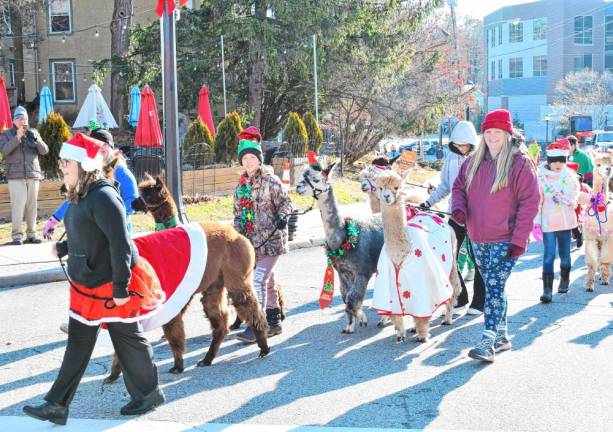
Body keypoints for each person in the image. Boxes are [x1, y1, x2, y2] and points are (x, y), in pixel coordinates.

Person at [22, 133, 164, 425]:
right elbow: (85, 232)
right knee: (79, 341)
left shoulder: (103, 195)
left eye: (66, 162)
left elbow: (120, 243)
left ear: (84, 166)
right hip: (90, 281)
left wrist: (121, 287)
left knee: (128, 339)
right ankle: (57, 405)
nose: (61, 167)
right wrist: (64, 247)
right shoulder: (80, 193)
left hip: (113, 281)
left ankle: (148, 393)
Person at [452, 109, 539, 363]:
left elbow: (530, 202)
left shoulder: (519, 163)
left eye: (497, 132)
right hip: (478, 236)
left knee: (494, 287)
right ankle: (502, 337)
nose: (492, 137)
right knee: (494, 287)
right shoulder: (473, 162)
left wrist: (519, 239)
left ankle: (487, 341)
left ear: (507, 134)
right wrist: (459, 208)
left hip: (506, 238)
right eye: (488, 132)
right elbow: (459, 187)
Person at [232, 126, 292, 343]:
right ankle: (274, 321)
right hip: (251, 243)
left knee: (258, 280)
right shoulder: (241, 186)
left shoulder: (271, 180)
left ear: (259, 159)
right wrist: (235, 238)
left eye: (252, 157)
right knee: (268, 281)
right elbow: (237, 214)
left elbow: (286, 203)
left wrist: (282, 217)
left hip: (272, 239)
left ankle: (258, 324)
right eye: (244, 158)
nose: (248, 162)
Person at [420, 121, 485, 316]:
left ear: (472, 143)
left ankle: (479, 302)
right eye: (456, 145)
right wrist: (428, 202)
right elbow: (445, 185)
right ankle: (460, 297)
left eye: (464, 145)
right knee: (448, 257)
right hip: (455, 214)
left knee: (478, 257)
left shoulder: (482, 157)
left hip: (477, 216)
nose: (460, 148)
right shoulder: (450, 158)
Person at [43, 129, 139, 239]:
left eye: (105, 144)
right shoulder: (90, 174)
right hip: (93, 234)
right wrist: (54, 220)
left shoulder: (121, 172)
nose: (101, 147)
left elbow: (133, 200)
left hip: (118, 234)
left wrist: (115, 219)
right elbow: (74, 198)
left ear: (111, 147)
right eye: (98, 144)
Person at [534, 139, 583, 303]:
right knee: (548, 256)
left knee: (565, 255)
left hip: (566, 222)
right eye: (554, 161)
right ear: (549, 161)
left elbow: (577, 197)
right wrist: (536, 223)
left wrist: (594, 199)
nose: (558, 165)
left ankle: (564, 281)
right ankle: (547, 290)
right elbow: (537, 201)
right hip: (549, 222)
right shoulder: (541, 178)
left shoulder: (571, 177)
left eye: (561, 162)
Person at [0, 106, 49, 245]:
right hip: (16, 176)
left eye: (26, 118)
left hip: (33, 174)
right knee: (18, 205)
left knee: (32, 206)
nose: (24, 121)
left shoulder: (34, 132)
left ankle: (32, 234)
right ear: (15, 120)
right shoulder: (7, 134)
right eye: (21, 118)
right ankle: (17, 235)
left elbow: (45, 151)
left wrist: (37, 140)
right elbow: (4, 150)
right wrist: (18, 137)